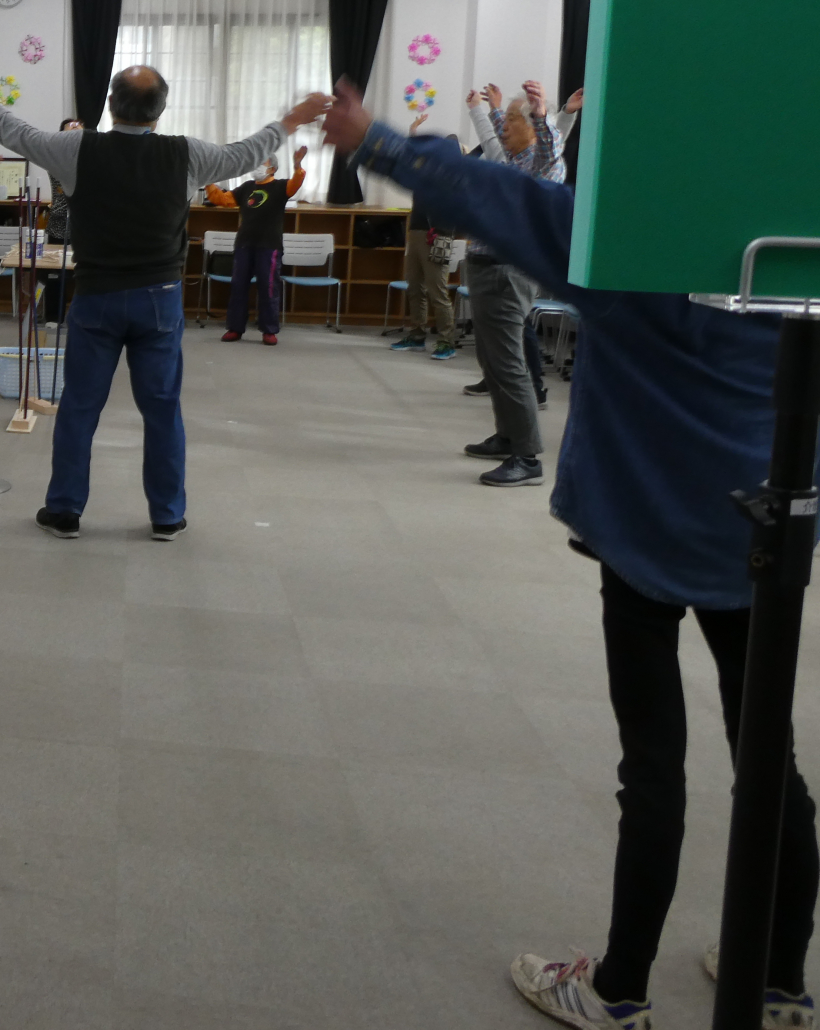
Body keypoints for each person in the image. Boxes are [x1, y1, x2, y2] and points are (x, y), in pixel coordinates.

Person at [321, 76, 818, 1030]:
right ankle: (781, 979)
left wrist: (374, 138)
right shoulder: (798, 264)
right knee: (770, 758)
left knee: (654, 765)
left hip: (643, 528)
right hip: (763, 533)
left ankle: (621, 989)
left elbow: (499, 197)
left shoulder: (634, 258)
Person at [0, 63, 333, 540]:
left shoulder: (76, 147)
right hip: (160, 300)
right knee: (162, 409)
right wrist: (292, 119)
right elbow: (245, 153)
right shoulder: (186, 154)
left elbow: (20, 134)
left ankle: (65, 510)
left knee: (79, 407)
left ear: (111, 104)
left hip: (96, 297)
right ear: (161, 111)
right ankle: (167, 516)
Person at [457, 80, 561, 486]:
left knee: (509, 364)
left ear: (533, 127)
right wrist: (493, 110)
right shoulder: (510, 160)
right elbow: (496, 134)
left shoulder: (541, 163)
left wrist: (541, 114)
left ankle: (527, 457)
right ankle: (507, 436)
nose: (504, 125)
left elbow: (550, 149)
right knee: (492, 360)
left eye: (513, 120)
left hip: (507, 272)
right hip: (485, 266)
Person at [207, 146, 307, 344]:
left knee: (268, 287)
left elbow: (296, 183)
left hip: (269, 245)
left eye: (262, 162)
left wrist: (297, 165)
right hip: (244, 244)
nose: (257, 166)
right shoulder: (246, 187)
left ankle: (269, 330)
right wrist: (209, 181)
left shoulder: (280, 187)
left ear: (273, 168)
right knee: (238, 286)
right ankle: (235, 328)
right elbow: (222, 199)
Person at [389, 112, 460, 359]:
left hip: (439, 237)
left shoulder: (456, 178)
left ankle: (446, 341)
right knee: (415, 286)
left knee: (437, 291)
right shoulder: (424, 171)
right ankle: (417, 335)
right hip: (417, 232)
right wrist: (413, 131)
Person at [41, 118, 81, 324]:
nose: (74, 132)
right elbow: (64, 201)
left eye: (78, 129)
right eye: (70, 129)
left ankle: (81, 320)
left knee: (85, 277)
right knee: (56, 276)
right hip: (59, 228)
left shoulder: (92, 159)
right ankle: (53, 319)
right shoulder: (56, 162)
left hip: (84, 232)